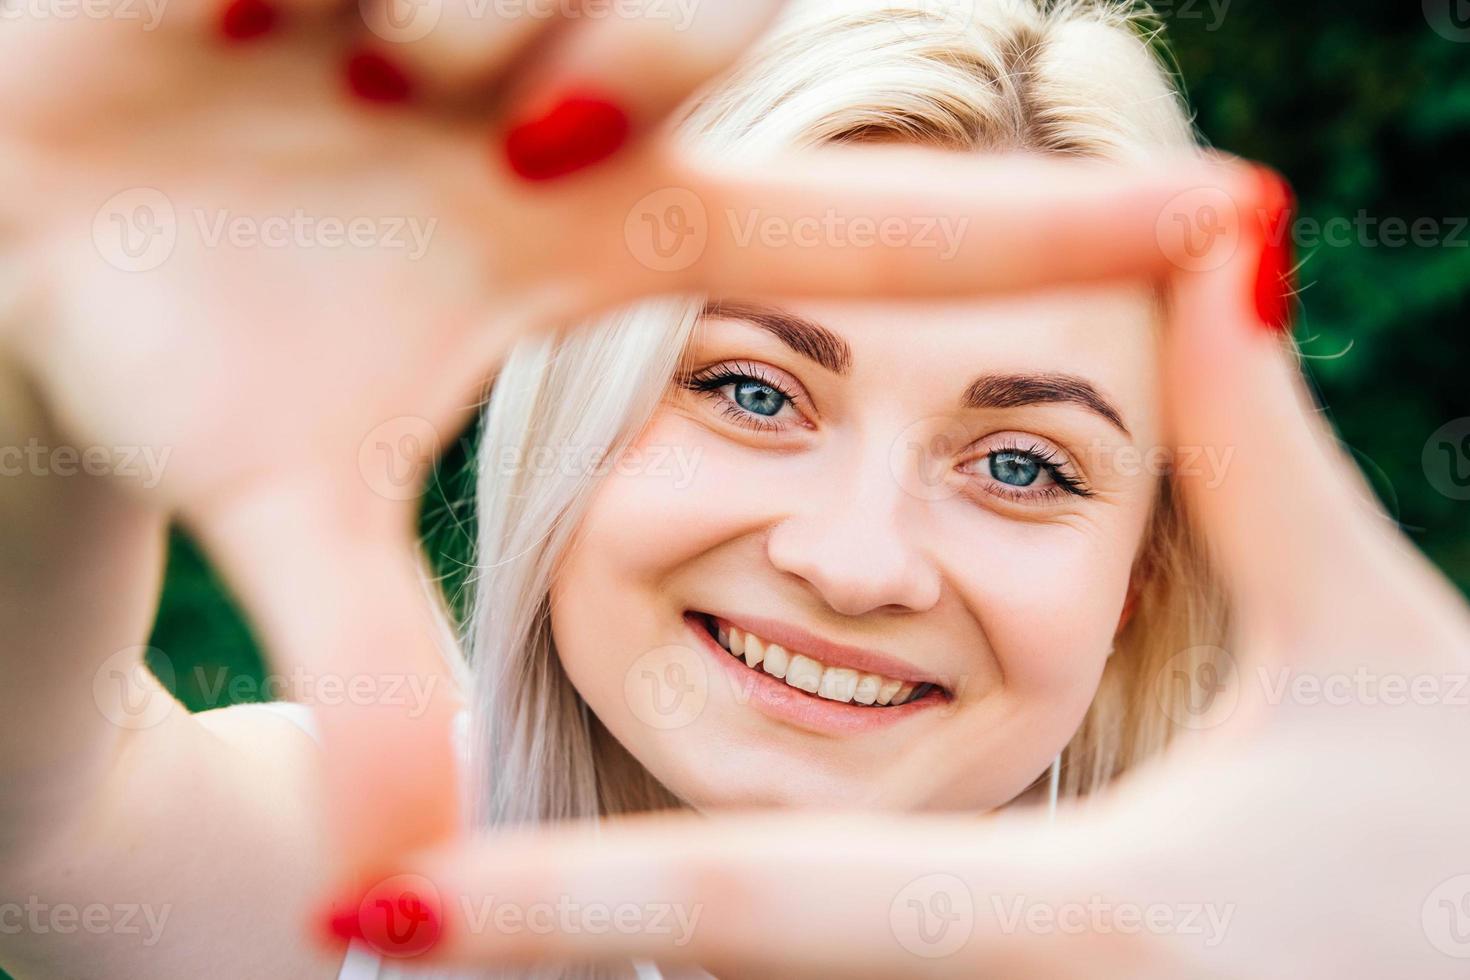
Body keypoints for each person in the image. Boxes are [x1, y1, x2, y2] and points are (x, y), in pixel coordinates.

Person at [4, 1, 1463, 979]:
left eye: (1021, 464)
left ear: (1136, 576)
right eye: (750, 389)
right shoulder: (353, 878)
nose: (852, 560)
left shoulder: (1290, 936)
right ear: (577, 402)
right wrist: (35, 316)